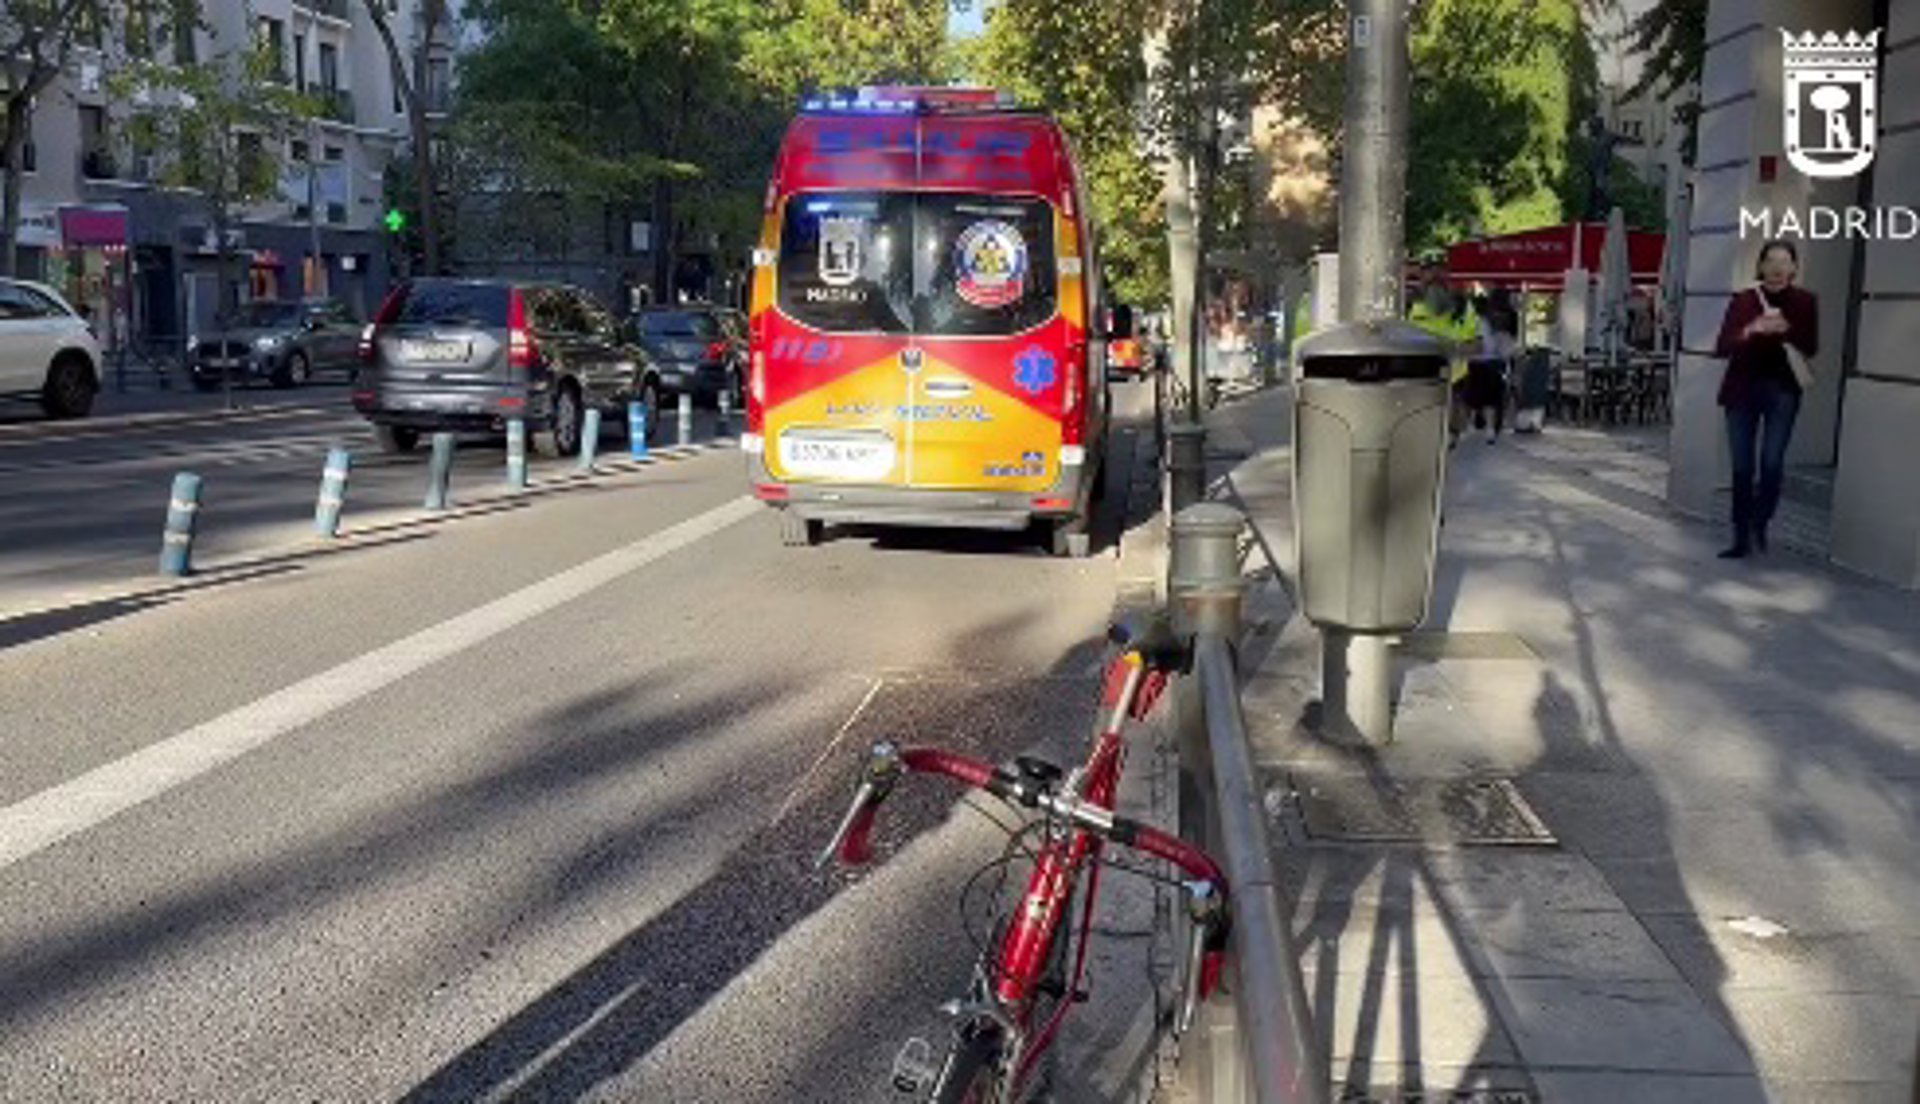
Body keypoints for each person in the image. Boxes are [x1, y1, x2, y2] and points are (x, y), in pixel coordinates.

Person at [1711, 240, 1818, 559]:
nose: (1777, 268)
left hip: (1782, 391)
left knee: (1771, 463)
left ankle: (1761, 519)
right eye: (1771, 261)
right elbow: (1722, 346)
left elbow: (1810, 346)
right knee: (1742, 467)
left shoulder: (1805, 301)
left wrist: (1786, 330)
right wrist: (1751, 329)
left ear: (1794, 267)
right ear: (1760, 266)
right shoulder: (1743, 300)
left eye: (1784, 262)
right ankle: (1740, 536)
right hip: (1741, 390)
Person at [1466, 288, 1518, 443]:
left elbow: (1480, 340)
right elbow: (1510, 342)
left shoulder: (1483, 318)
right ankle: (1491, 428)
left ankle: (1471, 424)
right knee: (1493, 398)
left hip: (1477, 360)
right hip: (1497, 361)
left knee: (1473, 395)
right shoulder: (1510, 317)